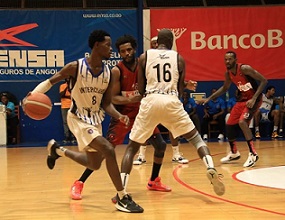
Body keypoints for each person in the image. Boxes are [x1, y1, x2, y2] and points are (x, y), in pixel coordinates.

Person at [23, 30, 143, 213]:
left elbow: (107, 104)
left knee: (94, 164)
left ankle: (58, 150)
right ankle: (122, 196)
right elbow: (51, 81)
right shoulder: (75, 67)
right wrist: (32, 95)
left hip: (95, 119)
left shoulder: (108, 73)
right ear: (96, 45)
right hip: (78, 118)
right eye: (108, 45)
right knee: (109, 150)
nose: (111, 49)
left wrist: (119, 116)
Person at [120, 29, 225, 197]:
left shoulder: (144, 57)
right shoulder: (179, 58)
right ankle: (211, 168)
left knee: (132, 148)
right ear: (171, 42)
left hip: (151, 100)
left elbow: (140, 88)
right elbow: (179, 89)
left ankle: (121, 192)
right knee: (196, 139)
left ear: (157, 42)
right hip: (171, 100)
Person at [70, 35, 170, 201]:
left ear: (135, 49)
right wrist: (131, 99)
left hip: (143, 114)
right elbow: (113, 99)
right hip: (123, 115)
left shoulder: (144, 65)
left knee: (160, 146)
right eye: (123, 51)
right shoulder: (116, 71)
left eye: (129, 49)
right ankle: (79, 182)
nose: (127, 53)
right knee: (104, 152)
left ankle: (153, 180)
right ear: (119, 53)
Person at [133, 35, 193, 165]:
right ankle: (141, 155)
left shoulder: (172, 58)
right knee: (147, 129)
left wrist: (186, 84)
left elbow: (173, 80)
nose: (155, 45)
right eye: (153, 43)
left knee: (173, 128)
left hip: (167, 97)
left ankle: (176, 154)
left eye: (156, 43)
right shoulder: (147, 58)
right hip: (151, 98)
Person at [203, 51, 267, 168]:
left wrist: (253, 98)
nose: (227, 61)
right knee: (229, 123)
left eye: (230, 59)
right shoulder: (228, 74)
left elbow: (264, 80)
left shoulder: (244, 69)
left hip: (254, 99)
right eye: (226, 59)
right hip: (242, 100)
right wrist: (209, 98)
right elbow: (225, 88)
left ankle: (253, 153)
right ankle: (234, 152)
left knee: (242, 122)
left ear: (235, 60)